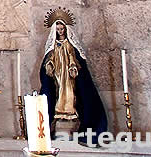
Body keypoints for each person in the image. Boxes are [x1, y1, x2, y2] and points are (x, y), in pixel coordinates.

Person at [39, 10, 106, 145]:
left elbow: (72, 57)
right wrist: (50, 65)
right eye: (57, 29)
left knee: (71, 96)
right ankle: (54, 124)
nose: (60, 31)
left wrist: (73, 66)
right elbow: (49, 58)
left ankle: (77, 123)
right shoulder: (53, 47)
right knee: (57, 97)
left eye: (62, 29)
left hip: (69, 78)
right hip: (58, 77)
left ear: (66, 29)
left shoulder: (70, 45)